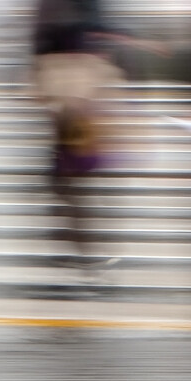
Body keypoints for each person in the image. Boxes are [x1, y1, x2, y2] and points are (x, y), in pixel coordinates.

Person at [32, 23, 123, 270]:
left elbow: (45, 101)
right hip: (81, 146)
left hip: (70, 146)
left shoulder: (53, 66)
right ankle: (84, 249)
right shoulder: (91, 65)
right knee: (77, 199)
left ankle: (81, 248)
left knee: (72, 198)